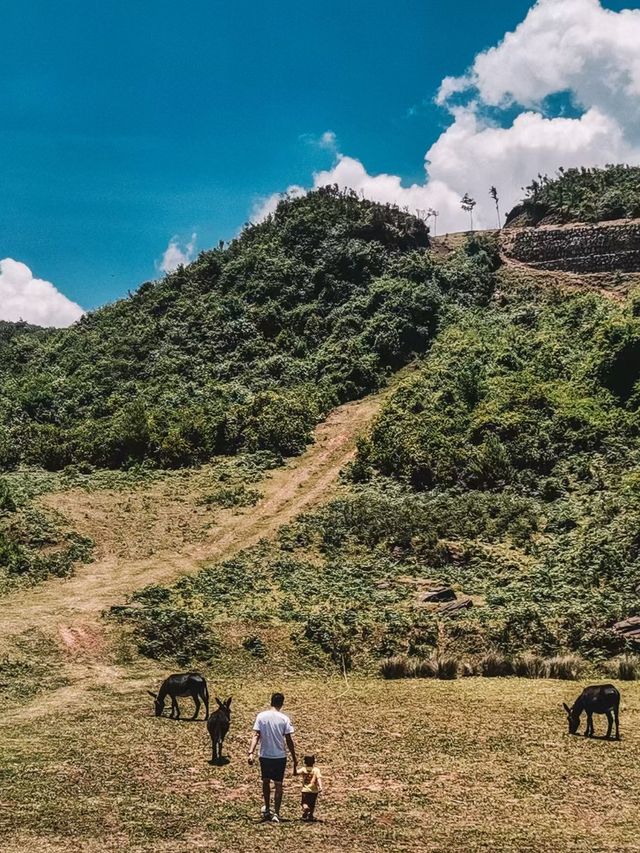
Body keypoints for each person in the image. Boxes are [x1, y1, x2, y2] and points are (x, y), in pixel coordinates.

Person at [248, 692, 297, 823]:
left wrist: (251, 752)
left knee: (265, 782)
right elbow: (289, 739)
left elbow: (256, 735)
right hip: (279, 756)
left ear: (271, 701)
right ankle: (276, 812)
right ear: (282, 703)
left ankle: (267, 808)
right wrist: (294, 757)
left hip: (265, 755)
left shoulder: (261, 716)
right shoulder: (284, 718)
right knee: (278, 784)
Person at [295, 754, 323, 821]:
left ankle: (306, 809)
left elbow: (295, 773)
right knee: (312, 804)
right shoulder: (316, 770)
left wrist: (294, 766)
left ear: (304, 762)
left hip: (305, 790)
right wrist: (320, 786)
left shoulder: (303, 769)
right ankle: (310, 815)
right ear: (314, 762)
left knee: (304, 803)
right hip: (314, 790)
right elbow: (318, 778)